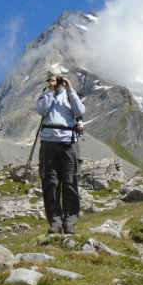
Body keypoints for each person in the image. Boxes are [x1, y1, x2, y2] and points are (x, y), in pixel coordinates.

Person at [35, 66, 85, 234]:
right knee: (51, 183)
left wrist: (70, 89)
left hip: (68, 143)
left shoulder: (71, 95)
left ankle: (70, 221)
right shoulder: (45, 94)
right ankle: (55, 223)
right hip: (49, 143)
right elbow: (41, 110)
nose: (57, 82)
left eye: (59, 78)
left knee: (70, 182)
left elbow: (80, 111)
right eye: (53, 78)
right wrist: (50, 90)